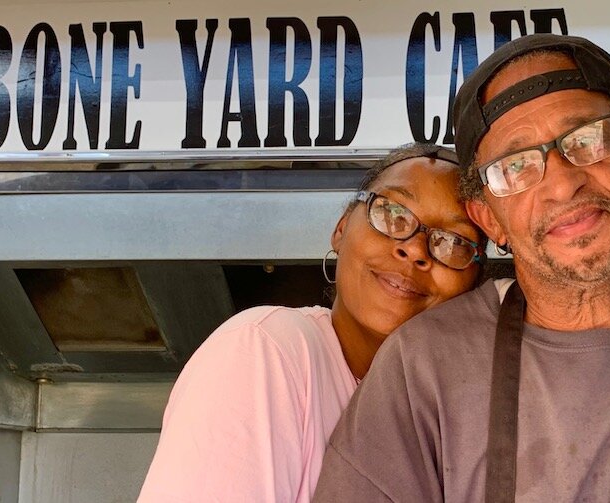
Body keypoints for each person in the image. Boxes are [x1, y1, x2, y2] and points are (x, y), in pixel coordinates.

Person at [313, 34, 610, 502]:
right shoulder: (422, 369)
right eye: (514, 166)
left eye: (586, 140)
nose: (563, 184)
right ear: (487, 218)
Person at [137, 143, 487, 502]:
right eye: (393, 214)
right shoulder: (266, 350)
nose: (414, 249)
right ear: (341, 230)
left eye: (453, 242)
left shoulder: (445, 422)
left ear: (475, 282)